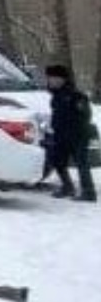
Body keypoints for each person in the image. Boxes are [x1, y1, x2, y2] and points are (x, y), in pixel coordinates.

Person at [44, 65, 96, 202]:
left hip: (78, 135)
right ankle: (68, 187)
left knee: (81, 163)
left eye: (54, 78)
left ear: (62, 79)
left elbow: (85, 115)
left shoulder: (76, 95)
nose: (51, 81)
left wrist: (73, 129)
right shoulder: (55, 95)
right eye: (49, 78)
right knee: (57, 161)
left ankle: (89, 192)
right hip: (61, 135)